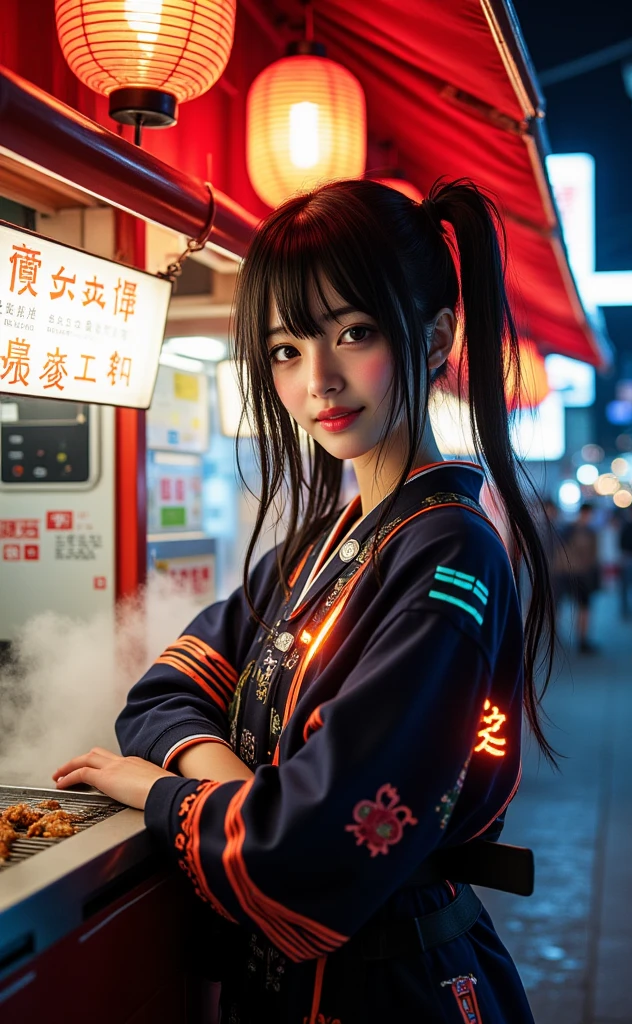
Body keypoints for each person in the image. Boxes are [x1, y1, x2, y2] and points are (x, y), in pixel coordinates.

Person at [53, 179, 556, 1024]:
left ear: (435, 338)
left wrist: (155, 789)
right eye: (286, 349)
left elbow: (309, 849)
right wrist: (249, 794)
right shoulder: (316, 544)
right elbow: (163, 692)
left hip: (393, 992)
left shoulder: (450, 551)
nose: (318, 377)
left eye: (354, 333)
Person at [561, 502, 600, 653]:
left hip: (579, 573)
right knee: (581, 607)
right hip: (575, 573)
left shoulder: (584, 530)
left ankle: (582, 638)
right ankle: (581, 639)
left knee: (583, 607)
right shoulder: (574, 530)